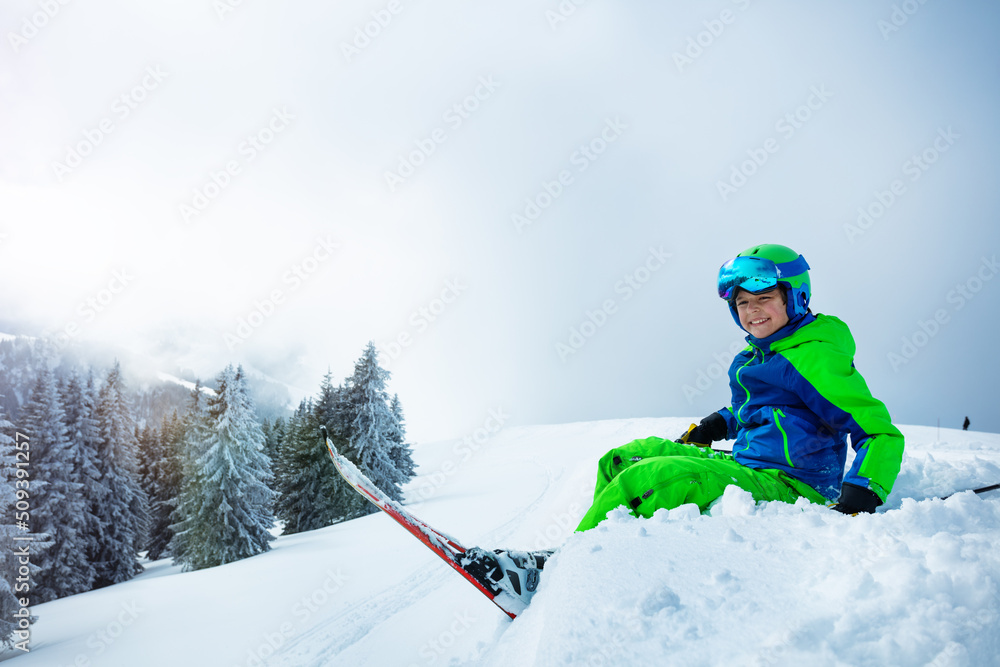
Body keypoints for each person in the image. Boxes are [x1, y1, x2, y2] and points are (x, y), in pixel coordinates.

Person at [466, 244, 905, 609]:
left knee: (655, 478)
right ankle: (586, 554)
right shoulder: (761, 355)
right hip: (752, 464)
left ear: (795, 297)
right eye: (742, 303)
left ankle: (554, 576)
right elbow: (762, 408)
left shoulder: (813, 356)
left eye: (764, 299)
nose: (752, 311)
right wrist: (717, 424)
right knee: (627, 455)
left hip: (794, 484)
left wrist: (862, 491)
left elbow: (878, 430)